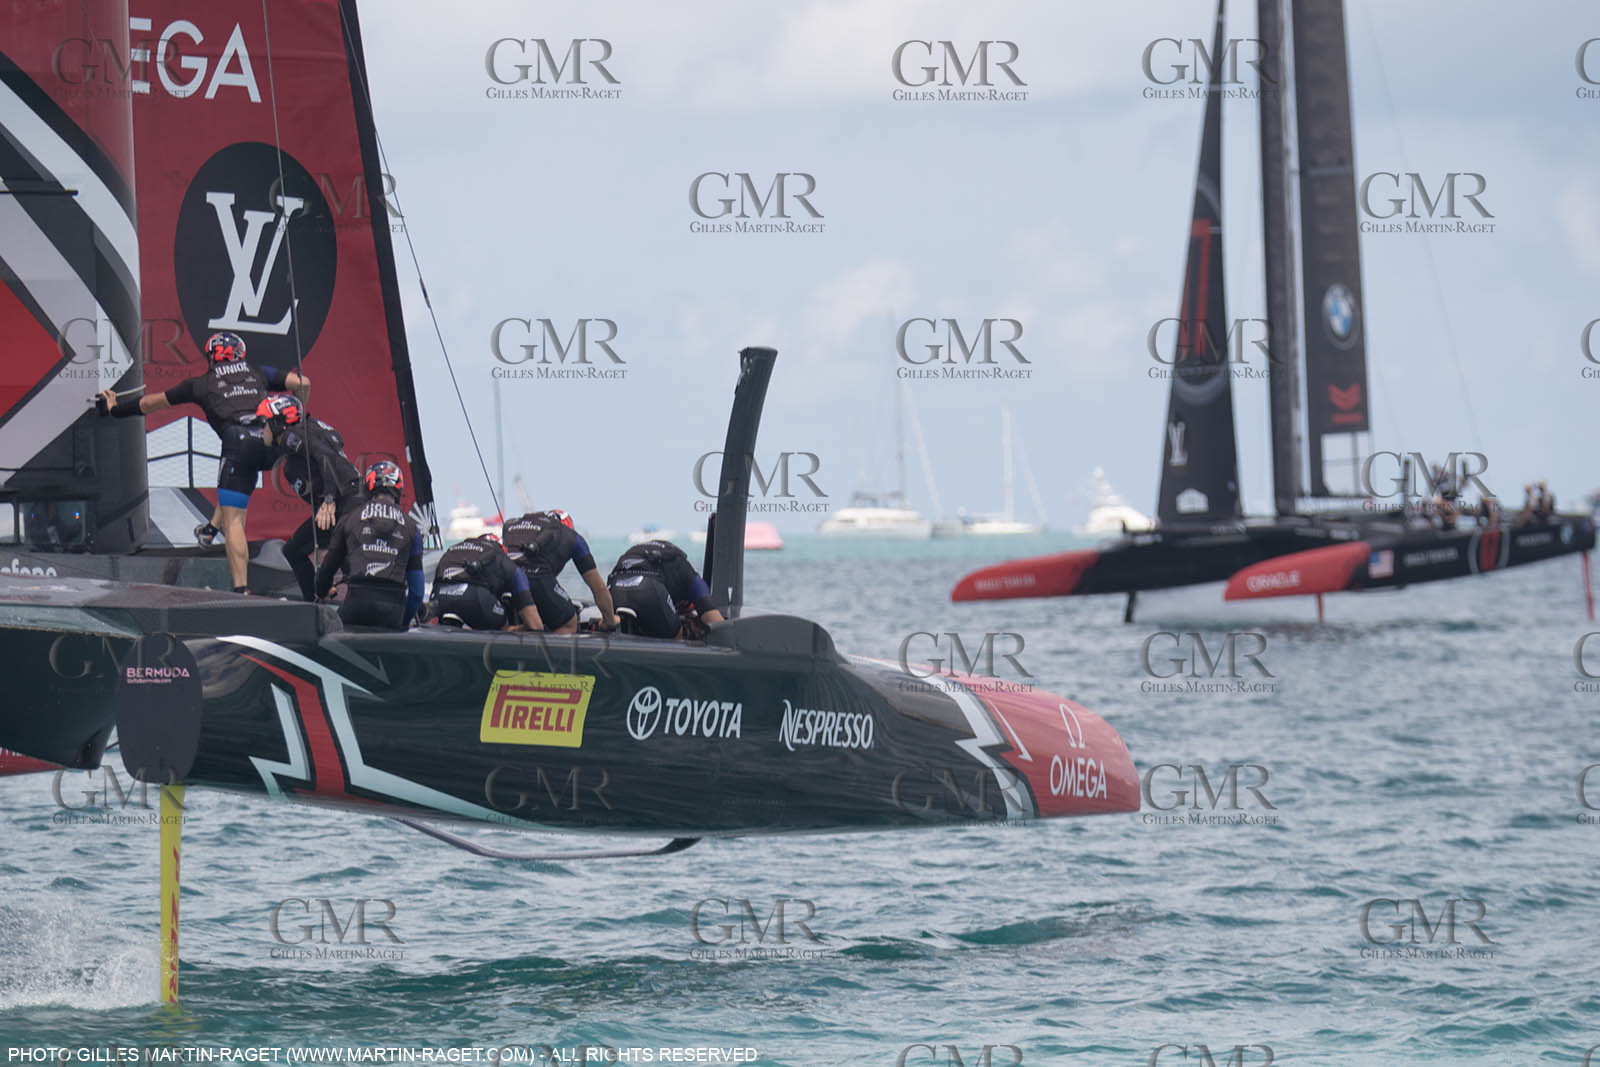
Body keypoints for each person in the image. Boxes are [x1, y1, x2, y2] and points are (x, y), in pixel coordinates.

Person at [97, 331, 309, 593]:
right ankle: (210, 528)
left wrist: (115, 408)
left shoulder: (201, 383)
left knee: (235, 518)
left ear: (211, 357)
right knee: (236, 478)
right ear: (239, 352)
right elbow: (303, 383)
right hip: (271, 442)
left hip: (239, 444)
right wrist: (296, 422)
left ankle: (241, 589)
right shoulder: (256, 371)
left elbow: (151, 403)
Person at [258, 396, 363, 602]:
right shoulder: (309, 429)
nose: (262, 429)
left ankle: (331, 603)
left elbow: (325, 457)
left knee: (345, 559)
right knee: (296, 550)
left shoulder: (291, 435)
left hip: (346, 500)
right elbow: (335, 441)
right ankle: (317, 599)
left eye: (264, 423)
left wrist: (330, 501)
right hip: (351, 497)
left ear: (278, 423)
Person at [313, 461, 424, 629]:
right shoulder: (412, 528)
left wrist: (322, 591)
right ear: (398, 488)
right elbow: (417, 592)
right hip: (393, 610)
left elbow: (327, 569)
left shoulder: (350, 518)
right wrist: (403, 623)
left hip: (356, 604)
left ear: (369, 486)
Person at [502, 509, 619, 632]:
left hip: (503, 578)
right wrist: (609, 621)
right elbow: (599, 588)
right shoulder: (573, 538)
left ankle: (509, 630)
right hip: (536, 578)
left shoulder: (515, 524)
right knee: (569, 623)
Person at [606, 539, 725, 640]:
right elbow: (715, 621)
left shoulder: (650, 553)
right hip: (649, 589)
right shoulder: (691, 575)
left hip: (614, 587)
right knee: (676, 635)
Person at [428, 533, 542, 631]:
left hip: (438, 596)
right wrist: (520, 628)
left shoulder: (455, 550)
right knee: (501, 626)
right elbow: (535, 625)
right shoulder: (502, 558)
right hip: (474, 598)